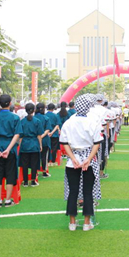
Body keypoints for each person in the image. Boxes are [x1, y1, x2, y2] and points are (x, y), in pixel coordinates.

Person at [60, 95, 103, 231]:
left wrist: (72, 158)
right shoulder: (92, 121)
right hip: (87, 158)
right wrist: (89, 159)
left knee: (73, 191)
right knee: (88, 192)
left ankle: (72, 222)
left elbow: (65, 143)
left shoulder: (68, 122)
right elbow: (97, 143)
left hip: (73, 160)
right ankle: (86, 223)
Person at [0, 94, 22, 207]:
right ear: (10, 103)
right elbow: (17, 134)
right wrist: (8, 149)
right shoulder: (15, 118)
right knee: (10, 174)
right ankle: (8, 200)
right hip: (11, 149)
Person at [19, 103, 44, 186]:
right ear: (34, 110)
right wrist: (40, 145)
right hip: (34, 144)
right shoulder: (37, 121)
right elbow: (39, 135)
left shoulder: (22, 121)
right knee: (34, 163)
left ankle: (25, 181)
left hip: (25, 145)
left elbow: (20, 136)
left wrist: (20, 145)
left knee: (24, 164)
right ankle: (33, 180)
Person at [34, 103, 52, 178]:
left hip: (34, 140)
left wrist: (38, 137)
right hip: (44, 140)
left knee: (35, 157)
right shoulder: (46, 118)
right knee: (44, 156)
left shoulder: (33, 118)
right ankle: (44, 172)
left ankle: (35, 172)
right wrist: (41, 136)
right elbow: (47, 130)